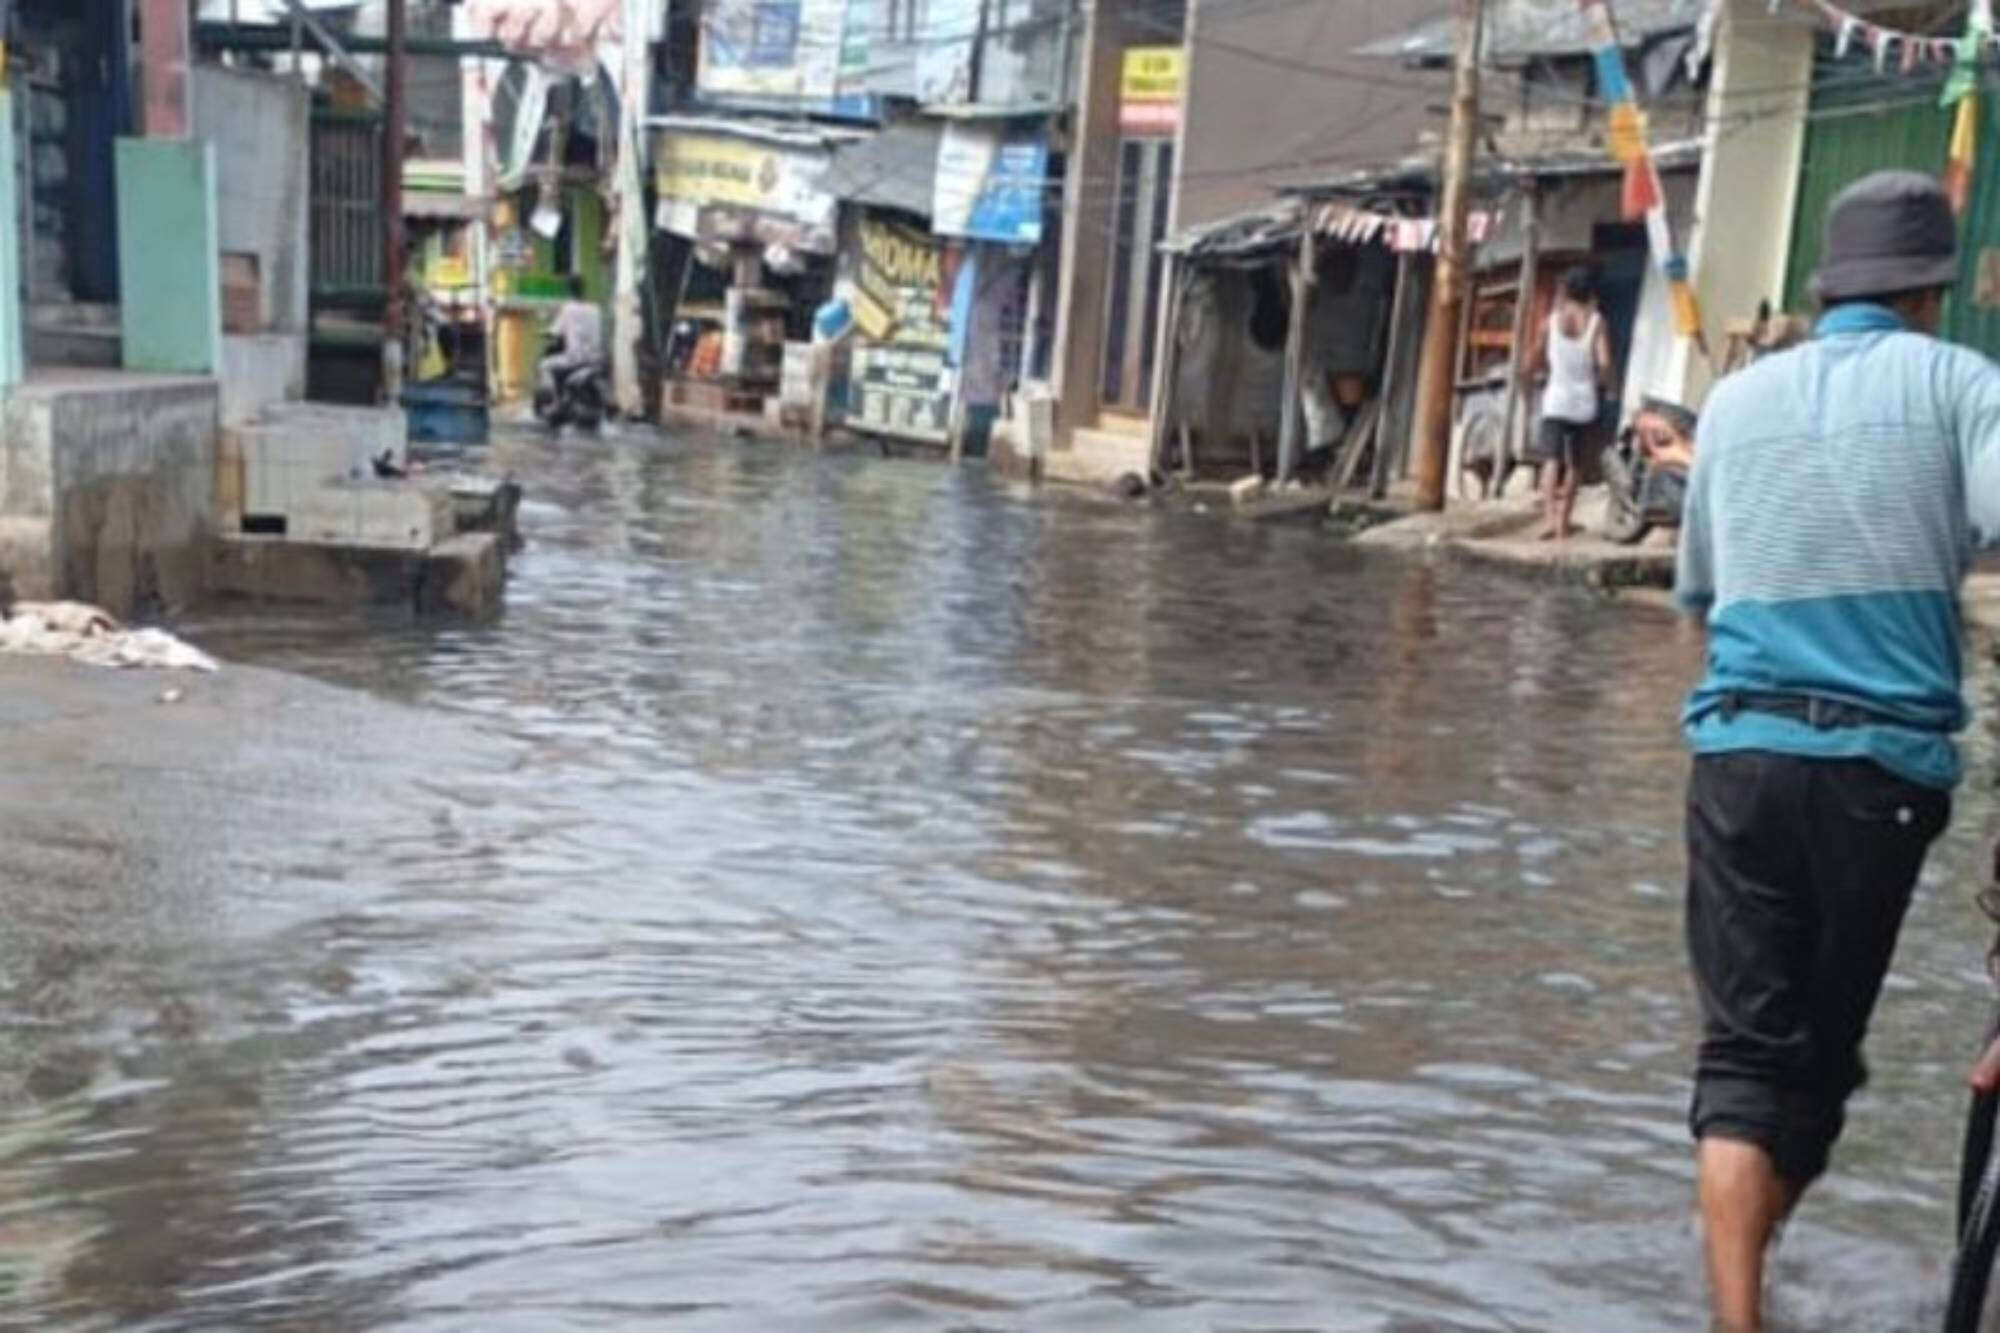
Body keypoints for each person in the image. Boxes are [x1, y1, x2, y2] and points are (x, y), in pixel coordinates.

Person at [1675, 170, 2000, 1332]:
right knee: (1815, 1069)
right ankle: (1743, 1303)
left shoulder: (1735, 404)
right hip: (1879, 780)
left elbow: (1700, 595)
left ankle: (1734, 1308)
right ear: (1929, 292)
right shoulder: (1964, 386)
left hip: (1738, 759)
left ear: (1826, 288)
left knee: (1743, 1062)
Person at [1526, 267, 1613, 539]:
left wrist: (1530, 374)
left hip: (1556, 399)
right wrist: (1605, 385)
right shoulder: (1596, 322)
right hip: (1583, 401)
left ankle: (1550, 518)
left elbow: (1533, 359)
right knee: (1575, 464)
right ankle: (1564, 522)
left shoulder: (1551, 322)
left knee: (1550, 461)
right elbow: (1605, 362)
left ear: (1566, 292)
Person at [538, 276, 603, 402]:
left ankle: (554, 400)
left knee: (544, 365)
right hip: (595, 359)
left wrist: (543, 333)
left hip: (575, 359)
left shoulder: (568, 309)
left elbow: (555, 331)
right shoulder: (595, 309)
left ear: (569, 290)